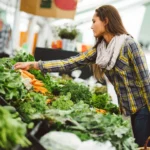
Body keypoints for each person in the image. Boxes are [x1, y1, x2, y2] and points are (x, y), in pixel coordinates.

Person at [14, 5, 150, 147]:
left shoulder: (129, 44)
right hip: (126, 110)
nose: (91, 26)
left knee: (141, 146)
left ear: (106, 21)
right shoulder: (101, 50)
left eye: (94, 21)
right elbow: (69, 63)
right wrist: (34, 65)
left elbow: (146, 82)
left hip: (143, 109)